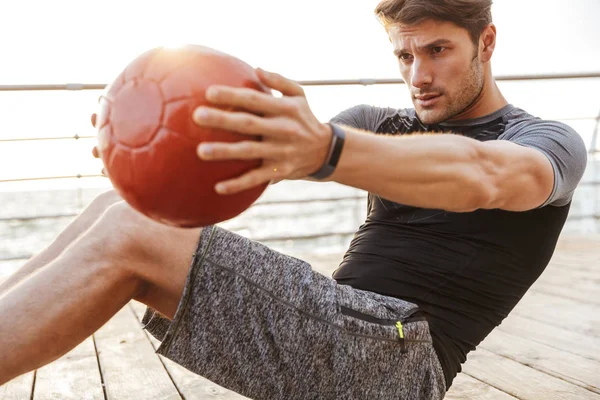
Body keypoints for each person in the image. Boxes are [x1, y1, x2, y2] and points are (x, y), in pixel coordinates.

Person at [0, 0, 587, 398]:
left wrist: (327, 149)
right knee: (118, 211)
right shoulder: (379, 127)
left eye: (438, 51)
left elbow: (484, 174)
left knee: (131, 234)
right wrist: (142, 160)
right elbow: (256, 161)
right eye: (404, 56)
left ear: (485, 42)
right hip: (342, 321)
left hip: (402, 362)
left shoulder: (544, 142)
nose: (418, 75)